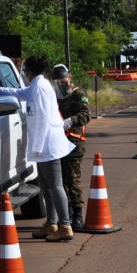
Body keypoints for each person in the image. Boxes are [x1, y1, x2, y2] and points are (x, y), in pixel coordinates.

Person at [0, 56, 75, 242]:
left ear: (29, 71)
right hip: (43, 146)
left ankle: (65, 225)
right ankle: (51, 223)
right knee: (46, 186)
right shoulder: (36, 86)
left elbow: (43, 119)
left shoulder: (41, 88)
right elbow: (19, 93)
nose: (24, 74)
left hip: (47, 144)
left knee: (56, 186)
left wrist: (36, 147)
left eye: (25, 71)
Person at [52, 64, 90, 229]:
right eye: (58, 80)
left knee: (73, 179)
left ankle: (77, 214)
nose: (61, 82)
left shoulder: (78, 94)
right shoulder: (54, 96)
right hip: (58, 142)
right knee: (60, 181)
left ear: (70, 77)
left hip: (74, 142)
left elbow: (86, 114)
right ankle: (65, 215)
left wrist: (69, 122)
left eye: (63, 78)